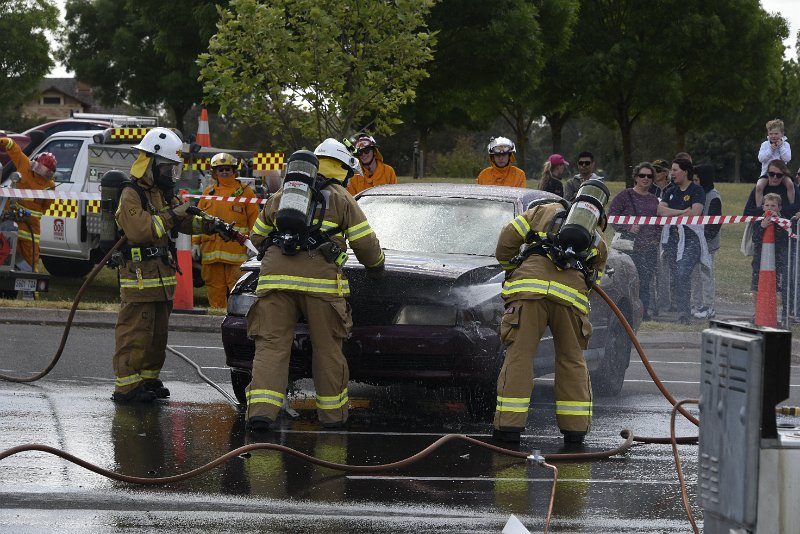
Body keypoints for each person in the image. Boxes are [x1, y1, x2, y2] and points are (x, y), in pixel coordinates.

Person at [245, 139, 385, 431]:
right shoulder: (341, 198)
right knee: (328, 349)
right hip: (320, 286)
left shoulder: (284, 194)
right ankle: (333, 417)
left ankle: (261, 413)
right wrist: (377, 268)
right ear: (343, 170)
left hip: (274, 281)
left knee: (271, 347)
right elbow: (366, 245)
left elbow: (257, 238)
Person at [492, 179, 609, 445]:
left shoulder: (541, 211)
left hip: (528, 292)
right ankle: (575, 430)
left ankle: (508, 428)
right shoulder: (598, 240)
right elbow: (594, 282)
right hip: (569, 300)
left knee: (520, 356)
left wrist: (511, 265)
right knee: (572, 359)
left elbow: (506, 239)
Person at [112, 127, 222, 403]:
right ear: (151, 163)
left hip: (161, 276)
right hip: (139, 276)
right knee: (135, 332)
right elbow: (141, 231)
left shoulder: (161, 193)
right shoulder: (131, 194)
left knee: (157, 334)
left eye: (175, 169)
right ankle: (126, 386)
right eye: (167, 168)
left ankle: (148, 379)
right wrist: (174, 214)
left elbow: (184, 220)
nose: (171, 174)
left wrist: (212, 225)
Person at [191, 153, 260, 309]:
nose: (223, 172)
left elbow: (255, 221)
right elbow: (197, 221)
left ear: (234, 170)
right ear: (215, 172)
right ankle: (217, 315)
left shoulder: (245, 192)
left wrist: (254, 245)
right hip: (211, 253)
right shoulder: (208, 193)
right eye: (220, 169)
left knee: (238, 288)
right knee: (214, 288)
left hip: (236, 253)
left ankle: (236, 316)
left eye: (227, 169)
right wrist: (195, 243)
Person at [607, 163, 661, 321]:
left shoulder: (654, 200)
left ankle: (643, 313)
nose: (645, 178)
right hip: (629, 248)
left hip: (649, 248)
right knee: (628, 281)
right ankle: (623, 312)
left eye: (649, 176)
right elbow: (612, 216)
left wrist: (656, 237)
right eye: (642, 175)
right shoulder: (625, 196)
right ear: (636, 177)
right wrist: (628, 228)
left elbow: (659, 221)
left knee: (646, 281)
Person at [657, 158, 707, 324]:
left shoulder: (696, 190)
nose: (672, 173)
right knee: (677, 276)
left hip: (691, 239)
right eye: (671, 170)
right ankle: (682, 311)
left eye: (675, 170)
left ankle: (684, 314)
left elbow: (695, 213)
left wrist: (674, 214)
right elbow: (660, 210)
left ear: (685, 171)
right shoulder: (670, 190)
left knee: (682, 272)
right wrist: (680, 212)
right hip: (672, 238)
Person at [0, 137, 56, 273]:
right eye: (39, 168)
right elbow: (16, 151)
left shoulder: (49, 186)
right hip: (11, 221)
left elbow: (46, 206)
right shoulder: (25, 166)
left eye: (45, 172)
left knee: (30, 262)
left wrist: (31, 213)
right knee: (5, 254)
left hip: (30, 228)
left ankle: (31, 291)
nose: (41, 173)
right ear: (34, 164)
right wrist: (5, 141)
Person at [690, 164, 722, 320]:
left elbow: (714, 225)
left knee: (706, 275)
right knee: (696, 275)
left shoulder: (713, 197)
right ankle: (696, 304)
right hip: (695, 243)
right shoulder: (697, 194)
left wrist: (704, 238)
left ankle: (708, 306)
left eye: (697, 179)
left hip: (708, 245)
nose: (694, 182)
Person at [751, 192, 789, 310]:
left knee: (775, 286)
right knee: (757, 286)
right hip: (759, 260)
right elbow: (755, 239)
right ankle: (758, 311)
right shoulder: (758, 221)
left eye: (773, 206)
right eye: (767, 205)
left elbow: (784, 240)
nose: (770, 208)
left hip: (777, 260)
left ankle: (772, 310)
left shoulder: (783, 222)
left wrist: (778, 223)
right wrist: (762, 227)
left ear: (779, 208)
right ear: (763, 207)